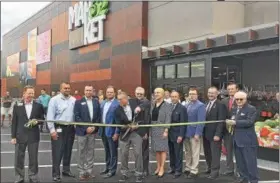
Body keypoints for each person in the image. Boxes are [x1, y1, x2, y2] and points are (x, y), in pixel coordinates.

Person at [11, 85, 45, 183]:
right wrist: (13, 136)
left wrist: (36, 122)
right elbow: (14, 122)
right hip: (19, 136)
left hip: (33, 136)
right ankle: (19, 177)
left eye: (32, 93)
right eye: (29, 93)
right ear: (24, 93)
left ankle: (33, 176)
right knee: (18, 159)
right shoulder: (17, 105)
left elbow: (42, 119)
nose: (31, 95)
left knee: (33, 159)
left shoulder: (38, 105)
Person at [225, 91, 259, 183]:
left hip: (248, 141)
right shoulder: (234, 109)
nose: (239, 101)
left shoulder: (251, 109)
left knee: (250, 163)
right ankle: (243, 179)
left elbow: (249, 122)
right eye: (237, 99)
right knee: (240, 163)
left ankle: (253, 180)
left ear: (245, 99)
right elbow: (232, 120)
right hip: (236, 140)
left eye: (241, 99)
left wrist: (235, 122)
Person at [47, 82, 76, 182]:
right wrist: (52, 131)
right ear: (60, 89)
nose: (67, 90)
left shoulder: (73, 100)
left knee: (68, 150)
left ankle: (66, 170)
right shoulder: (54, 100)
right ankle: (55, 174)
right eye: (65, 88)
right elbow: (50, 116)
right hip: (59, 128)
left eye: (68, 88)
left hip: (70, 128)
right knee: (57, 152)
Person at [115, 92, 144, 182]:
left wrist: (137, 124)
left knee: (138, 153)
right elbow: (118, 124)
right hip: (124, 134)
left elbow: (143, 115)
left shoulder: (134, 103)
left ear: (126, 98)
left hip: (136, 133)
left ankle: (139, 173)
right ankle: (124, 173)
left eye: (120, 99)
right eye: (118, 99)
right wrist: (128, 127)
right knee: (123, 154)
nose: (119, 101)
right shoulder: (117, 110)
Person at [74, 85, 101, 181]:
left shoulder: (96, 102)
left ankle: (89, 171)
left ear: (93, 91)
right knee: (81, 152)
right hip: (82, 132)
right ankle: (81, 172)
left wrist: (94, 127)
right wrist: (86, 128)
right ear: (84, 91)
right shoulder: (78, 102)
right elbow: (76, 116)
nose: (88, 92)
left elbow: (98, 116)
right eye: (87, 90)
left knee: (90, 152)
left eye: (90, 90)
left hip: (93, 132)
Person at [203, 87, 226, 179]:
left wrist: (218, 134)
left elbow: (221, 121)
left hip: (215, 135)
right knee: (207, 152)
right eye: (209, 93)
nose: (210, 95)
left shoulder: (220, 105)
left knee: (215, 153)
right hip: (206, 134)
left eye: (212, 93)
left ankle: (215, 172)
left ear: (217, 94)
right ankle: (209, 168)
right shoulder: (206, 104)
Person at [184, 88, 206, 179]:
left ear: (197, 95)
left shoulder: (200, 105)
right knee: (187, 152)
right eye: (190, 94)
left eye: (193, 94)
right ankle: (188, 167)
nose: (191, 95)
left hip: (194, 133)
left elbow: (201, 121)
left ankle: (194, 170)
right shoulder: (187, 104)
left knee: (195, 152)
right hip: (186, 133)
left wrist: (198, 133)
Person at [150, 88, 172, 178]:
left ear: (163, 94)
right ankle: (158, 166)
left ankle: (162, 167)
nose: (156, 94)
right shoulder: (153, 104)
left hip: (162, 129)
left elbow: (168, 118)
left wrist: (166, 130)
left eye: (158, 92)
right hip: (154, 129)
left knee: (162, 149)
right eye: (155, 93)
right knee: (157, 150)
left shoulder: (167, 105)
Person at [99, 86, 119, 178]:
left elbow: (119, 121)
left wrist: (116, 132)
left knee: (113, 152)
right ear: (105, 93)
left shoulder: (117, 104)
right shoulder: (103, 103)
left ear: (114, 93)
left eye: (111, 92)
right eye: (108, 92)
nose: (109, 94)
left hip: (112, 132)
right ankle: (107, 167)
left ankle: (112, 170)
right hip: (103, 131)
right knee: (107, 151)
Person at [168, 91, 187, 178]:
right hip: (169, 134)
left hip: (177, 135)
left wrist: (181, 135)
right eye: (172, 96)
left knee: (178, 153)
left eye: (175, 96)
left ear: (179, 97)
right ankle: (172, 168)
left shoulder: (182, 108)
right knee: (171, 152)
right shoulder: (169, 106)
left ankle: (178, 170)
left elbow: (183, 123)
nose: (173, 98)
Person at [221, 83, 239, 176]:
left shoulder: (241, 100)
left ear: (237, 89)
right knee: (228, 151)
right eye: (229, 89)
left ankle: (239, 170)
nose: (230, 91)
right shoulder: (224, 101)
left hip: (238, 130)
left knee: (239, 152)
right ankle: (229, 169)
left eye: (232, 89)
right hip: (227, 130)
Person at [133, 87, 151, 176]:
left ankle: (145, 170)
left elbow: (146, 119)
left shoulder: (146, 102)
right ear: (135, 93)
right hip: (134, 130)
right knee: (137, 151)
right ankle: (138, 168)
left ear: (144, 95)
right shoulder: (133, 101)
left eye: (141, 94)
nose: (139, 95)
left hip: (143, 130)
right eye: (137, 94)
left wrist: (145, 132)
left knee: (144, 151)